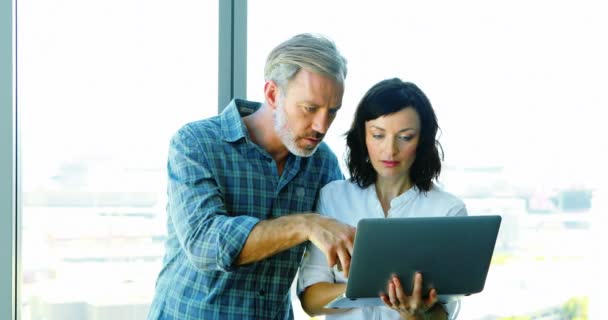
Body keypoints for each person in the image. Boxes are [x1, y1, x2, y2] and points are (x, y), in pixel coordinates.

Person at [147, 33, 357, 320]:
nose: (322, 125)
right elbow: (204, 243)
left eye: (332, 111)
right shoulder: (196, 143)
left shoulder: (323, 164)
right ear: (272, 94)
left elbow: (340, 243)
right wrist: (305, 224)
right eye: (309, 109)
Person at [297, 78, 468, 320]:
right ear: (362, 137)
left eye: (405, 137)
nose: (390, 150)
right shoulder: (334, 197)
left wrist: (414, 312)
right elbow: (311, 301)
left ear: (422, 141)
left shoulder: (447, 210)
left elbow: (444, 313)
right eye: (378, 135)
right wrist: (371, 287)